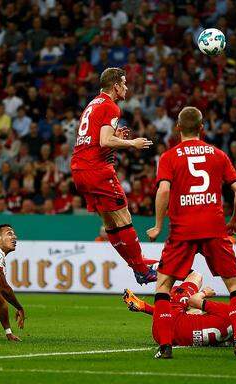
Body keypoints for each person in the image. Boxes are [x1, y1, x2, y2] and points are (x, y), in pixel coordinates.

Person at [147, 106, 236, 360]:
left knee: (164, 286)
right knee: (235, 286)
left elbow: (164, 191)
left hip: (182, 229)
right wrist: (234, 221)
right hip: (214, 227)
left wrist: (158, 225)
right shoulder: (218, 155)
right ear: (202, 128)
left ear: (178, 128)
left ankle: (166, 347)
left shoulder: (169, 157)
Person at [70, 67, 156, 285]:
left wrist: (115, 137)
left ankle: (137, 266)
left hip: (79, 169)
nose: (126, 87)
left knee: (110, 222)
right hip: (97, 169)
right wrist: (132, 143)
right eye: (124, 83)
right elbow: (105, 141)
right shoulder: (111, 106)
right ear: (116, 85)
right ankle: (142, 269)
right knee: (124, 217)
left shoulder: (93, 104)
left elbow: (97, 139)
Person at [122, 271, 236, 347]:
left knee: (196, 276)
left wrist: (205, 293)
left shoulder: (226, 310)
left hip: (165, 328)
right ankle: (144, 306)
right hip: (164, 338)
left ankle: (149, 272)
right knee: (196, 314)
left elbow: (193, 300)